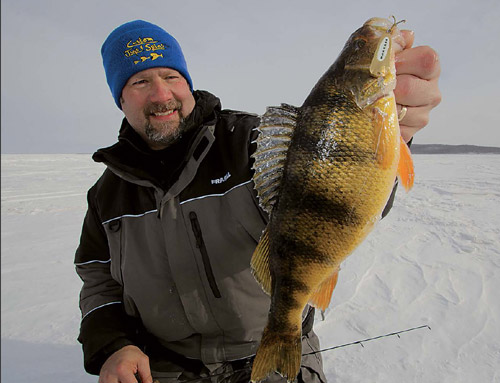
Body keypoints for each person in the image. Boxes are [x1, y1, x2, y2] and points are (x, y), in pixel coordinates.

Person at [75, 20, 441, 383]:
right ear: (119, 98)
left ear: (187, 83)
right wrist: (113, 345)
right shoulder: (106, 195)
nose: (161, 94)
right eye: (140, 81)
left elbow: (340, 198)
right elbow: (97, 281)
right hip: (163, 369)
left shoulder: (251, 143)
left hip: (275, 357)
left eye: (171, 76)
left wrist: (391, 139)